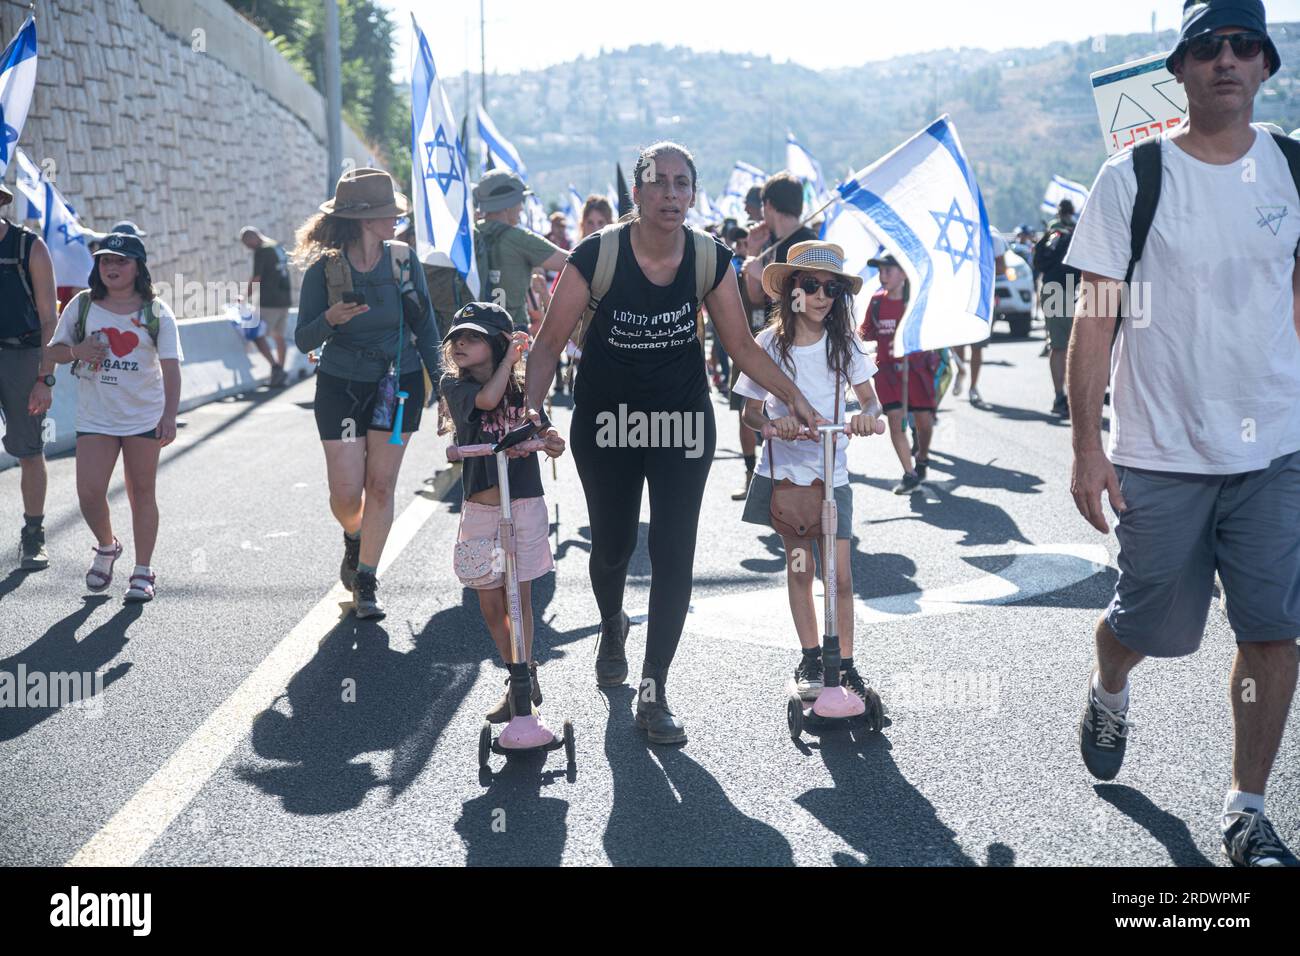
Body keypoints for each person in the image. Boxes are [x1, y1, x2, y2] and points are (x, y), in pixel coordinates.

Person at [1067, 0, 1300, 867]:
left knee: (1271, 632)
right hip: (1160, 453)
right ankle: (1110, 683)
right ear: (1182, 68)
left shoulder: (1293, 171)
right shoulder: (1133, 178)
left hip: (1275, 451)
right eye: (1208, 47)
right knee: (1151, 628)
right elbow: (1093, 321)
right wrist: (1087, 446)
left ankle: (1247, 808)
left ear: (1267, 65)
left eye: (1244, 46)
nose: (1227, 60)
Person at [524, 141, 820, 744]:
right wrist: (529, 414)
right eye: (657, 183)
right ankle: (612, 623)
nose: (670, 194)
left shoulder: (709, 259)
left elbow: (740, 347)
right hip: (608, 421)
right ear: (636, 193)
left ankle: (653, 689)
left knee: (674, 548)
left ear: (693, 193)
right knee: (609, 546)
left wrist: (795, 398)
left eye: (681, 184)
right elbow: (551, 343)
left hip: (681, 422)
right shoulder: (597, 254)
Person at [292, 167, 444, 620]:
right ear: (362, 220)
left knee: (381, 485)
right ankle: (354, 537)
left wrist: (446, 384)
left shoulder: (402, 260)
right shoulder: (326, 269)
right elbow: (303, 339)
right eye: (386, 214)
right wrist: (331, 320)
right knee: (345, 492)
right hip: (341, 384)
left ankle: (367, 579)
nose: (395, 220)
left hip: (398, 384)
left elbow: (426, 325)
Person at [735, 241, 883, 702]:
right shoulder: (768, 345)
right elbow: (750, 413)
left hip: (831, 479)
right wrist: (772, 423)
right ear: (792, 289)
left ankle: (848, 663)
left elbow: (871, 399)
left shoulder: (846, 345)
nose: (822, 296)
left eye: (832, 288)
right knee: (800, 568)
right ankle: (811, 656)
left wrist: (866, 415)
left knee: (839, 576)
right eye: (813, 285)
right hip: (788, 481)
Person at [440, 302, 566, 721]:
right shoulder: (454, 387)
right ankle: (515, 671)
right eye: (456, 337)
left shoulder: (524, 389)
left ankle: (523, 678)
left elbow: (540, 423)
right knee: (491, 603)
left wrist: (550, 438)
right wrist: (510, 360)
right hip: (480, 508)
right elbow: (487, 399)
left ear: (496, 342)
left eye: (472, 337)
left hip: (524, 504)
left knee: (520, 598)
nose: (460, 344)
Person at [44, 233, 181, 601]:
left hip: (143, 416)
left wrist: (170, 415)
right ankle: (107, 546)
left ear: (138, 267)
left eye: (121, 261)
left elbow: (171, 368)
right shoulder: (83, 305)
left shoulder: (156, 312)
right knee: (89, 492)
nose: (112, 267)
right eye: (106, 261)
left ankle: (142, 570)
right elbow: (54, 352)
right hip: (96, 415)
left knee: (141, 492)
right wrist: (78, 350)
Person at [0, 184, 59, 570]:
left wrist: (45, 376)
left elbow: (48, 317)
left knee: (29, 450)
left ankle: (33, 534)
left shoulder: (28, 247)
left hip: (22, 355)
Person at [859, 253, 939, 494]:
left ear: (904, 273)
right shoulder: (876, 302)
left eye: (888, 271)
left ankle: (922, 456)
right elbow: (866, 332)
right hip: (888, 375)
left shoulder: (915, 302)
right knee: (895, 422)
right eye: (880, 271)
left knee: (924, 423)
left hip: (916, 373)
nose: (882, 276)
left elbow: (931, 332)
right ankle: (909, 473)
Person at [473, 170, 568, 332]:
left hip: (475, 334)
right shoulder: (519, 238)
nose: (521, 208)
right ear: (508, 204)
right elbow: (570, 262)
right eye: (519, 201)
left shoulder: (470, 234)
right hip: (512, 335)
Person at [741, 172, 818, 312]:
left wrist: (763, 275)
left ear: (768, 204)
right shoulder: (772, 241)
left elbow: (803, 303)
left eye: (762, 206)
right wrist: (753, 249)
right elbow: (756, 297)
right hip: (778, 329)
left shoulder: (808, 244)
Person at [1035, 198, 1081, 418]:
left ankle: (1059, 395)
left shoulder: (1051, 231)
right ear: (1071, 212)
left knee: (1058, 345)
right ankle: (1072, 397)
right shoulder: (1073, 230)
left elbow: (1040, 263)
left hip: (1051, 288)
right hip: (1070, 289)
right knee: (1074, 346)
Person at [240, 227, 294, 388]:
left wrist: (244, 296)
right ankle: (280, 371)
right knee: (279, 336)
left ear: (253, 237)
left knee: (256, 335)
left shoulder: (262, 251)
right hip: (284, 299)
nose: (248, 247)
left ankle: (276, 368)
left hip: (269, 300)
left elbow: (257, 277)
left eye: (247, 243)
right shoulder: (277, 246)